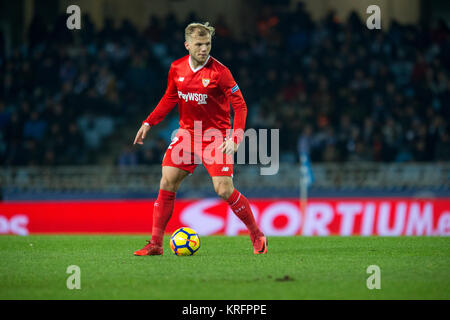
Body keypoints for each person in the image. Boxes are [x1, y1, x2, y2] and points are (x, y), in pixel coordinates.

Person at [133, 22, 267, 255]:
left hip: (217, 136)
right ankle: (155, 244)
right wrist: (148, 122)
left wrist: (235, 137)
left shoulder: (220, 72)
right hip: (187, 134)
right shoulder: (176, 68)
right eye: (199, 44)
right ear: (187, 45)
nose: (204, 49)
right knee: (167, 181)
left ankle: (256, 234)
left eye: (207, 44)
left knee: (224, 190)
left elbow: (241, 106)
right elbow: (169, 98)